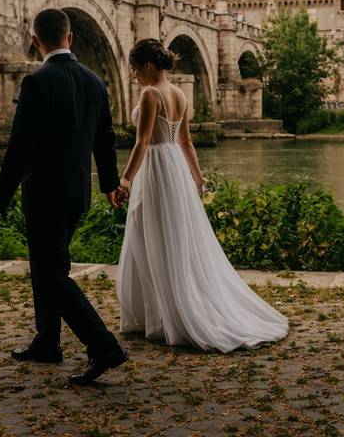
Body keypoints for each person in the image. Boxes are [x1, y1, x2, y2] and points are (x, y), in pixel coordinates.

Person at [0, 8, 128, 385]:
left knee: (51, 274)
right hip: (78, 193)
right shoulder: (96, 82)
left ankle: (103, 346)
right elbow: (105, 141)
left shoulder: (36, 82)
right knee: (47, 266)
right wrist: (110, 184)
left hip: (44, 193)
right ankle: (47, 341)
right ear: (71, 37)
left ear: (35, 41)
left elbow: (20, 150)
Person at [116, 39, 289, 352]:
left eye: (136, 68)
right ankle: (163, 311)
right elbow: (186, 143)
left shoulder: (150, 94)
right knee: (173, 237)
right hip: (175, 170)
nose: (134, 75)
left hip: (155, 168)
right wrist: (197, 178)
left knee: (149, 235)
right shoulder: (179, 94)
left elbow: (142, 143)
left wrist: (126, 178)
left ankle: (160, 315)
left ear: (148, 66)